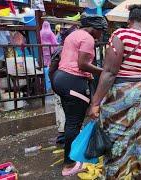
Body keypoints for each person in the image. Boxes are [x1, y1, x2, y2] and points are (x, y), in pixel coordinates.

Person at [87, 4, 141, 179]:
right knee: (139, 134)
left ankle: (115, 174)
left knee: (115, 134)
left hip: (121, 93)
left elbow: (110, 72)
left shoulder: (120, 35)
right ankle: (139, 172)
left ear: (129, 20)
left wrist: (95, 103)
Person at [52, 15, 108, 176]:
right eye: (102, 31)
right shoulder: (88, 38)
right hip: (73, 80)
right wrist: (104, 72)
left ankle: (73, 155)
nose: (101, 35)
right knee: (73, 124)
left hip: (61, 79)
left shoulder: (73, 34)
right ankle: (69, 165)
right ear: (94, 28)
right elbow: (82, 64)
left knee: (71, 120)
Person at [49, 25, 78, 145]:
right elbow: (51, 70)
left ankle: (67, 135)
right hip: (61, 85)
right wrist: (54, 85)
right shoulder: (61, 50)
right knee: (63, 111)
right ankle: (63, 136)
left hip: (65, 85)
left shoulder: (67, 49)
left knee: (68, 112)